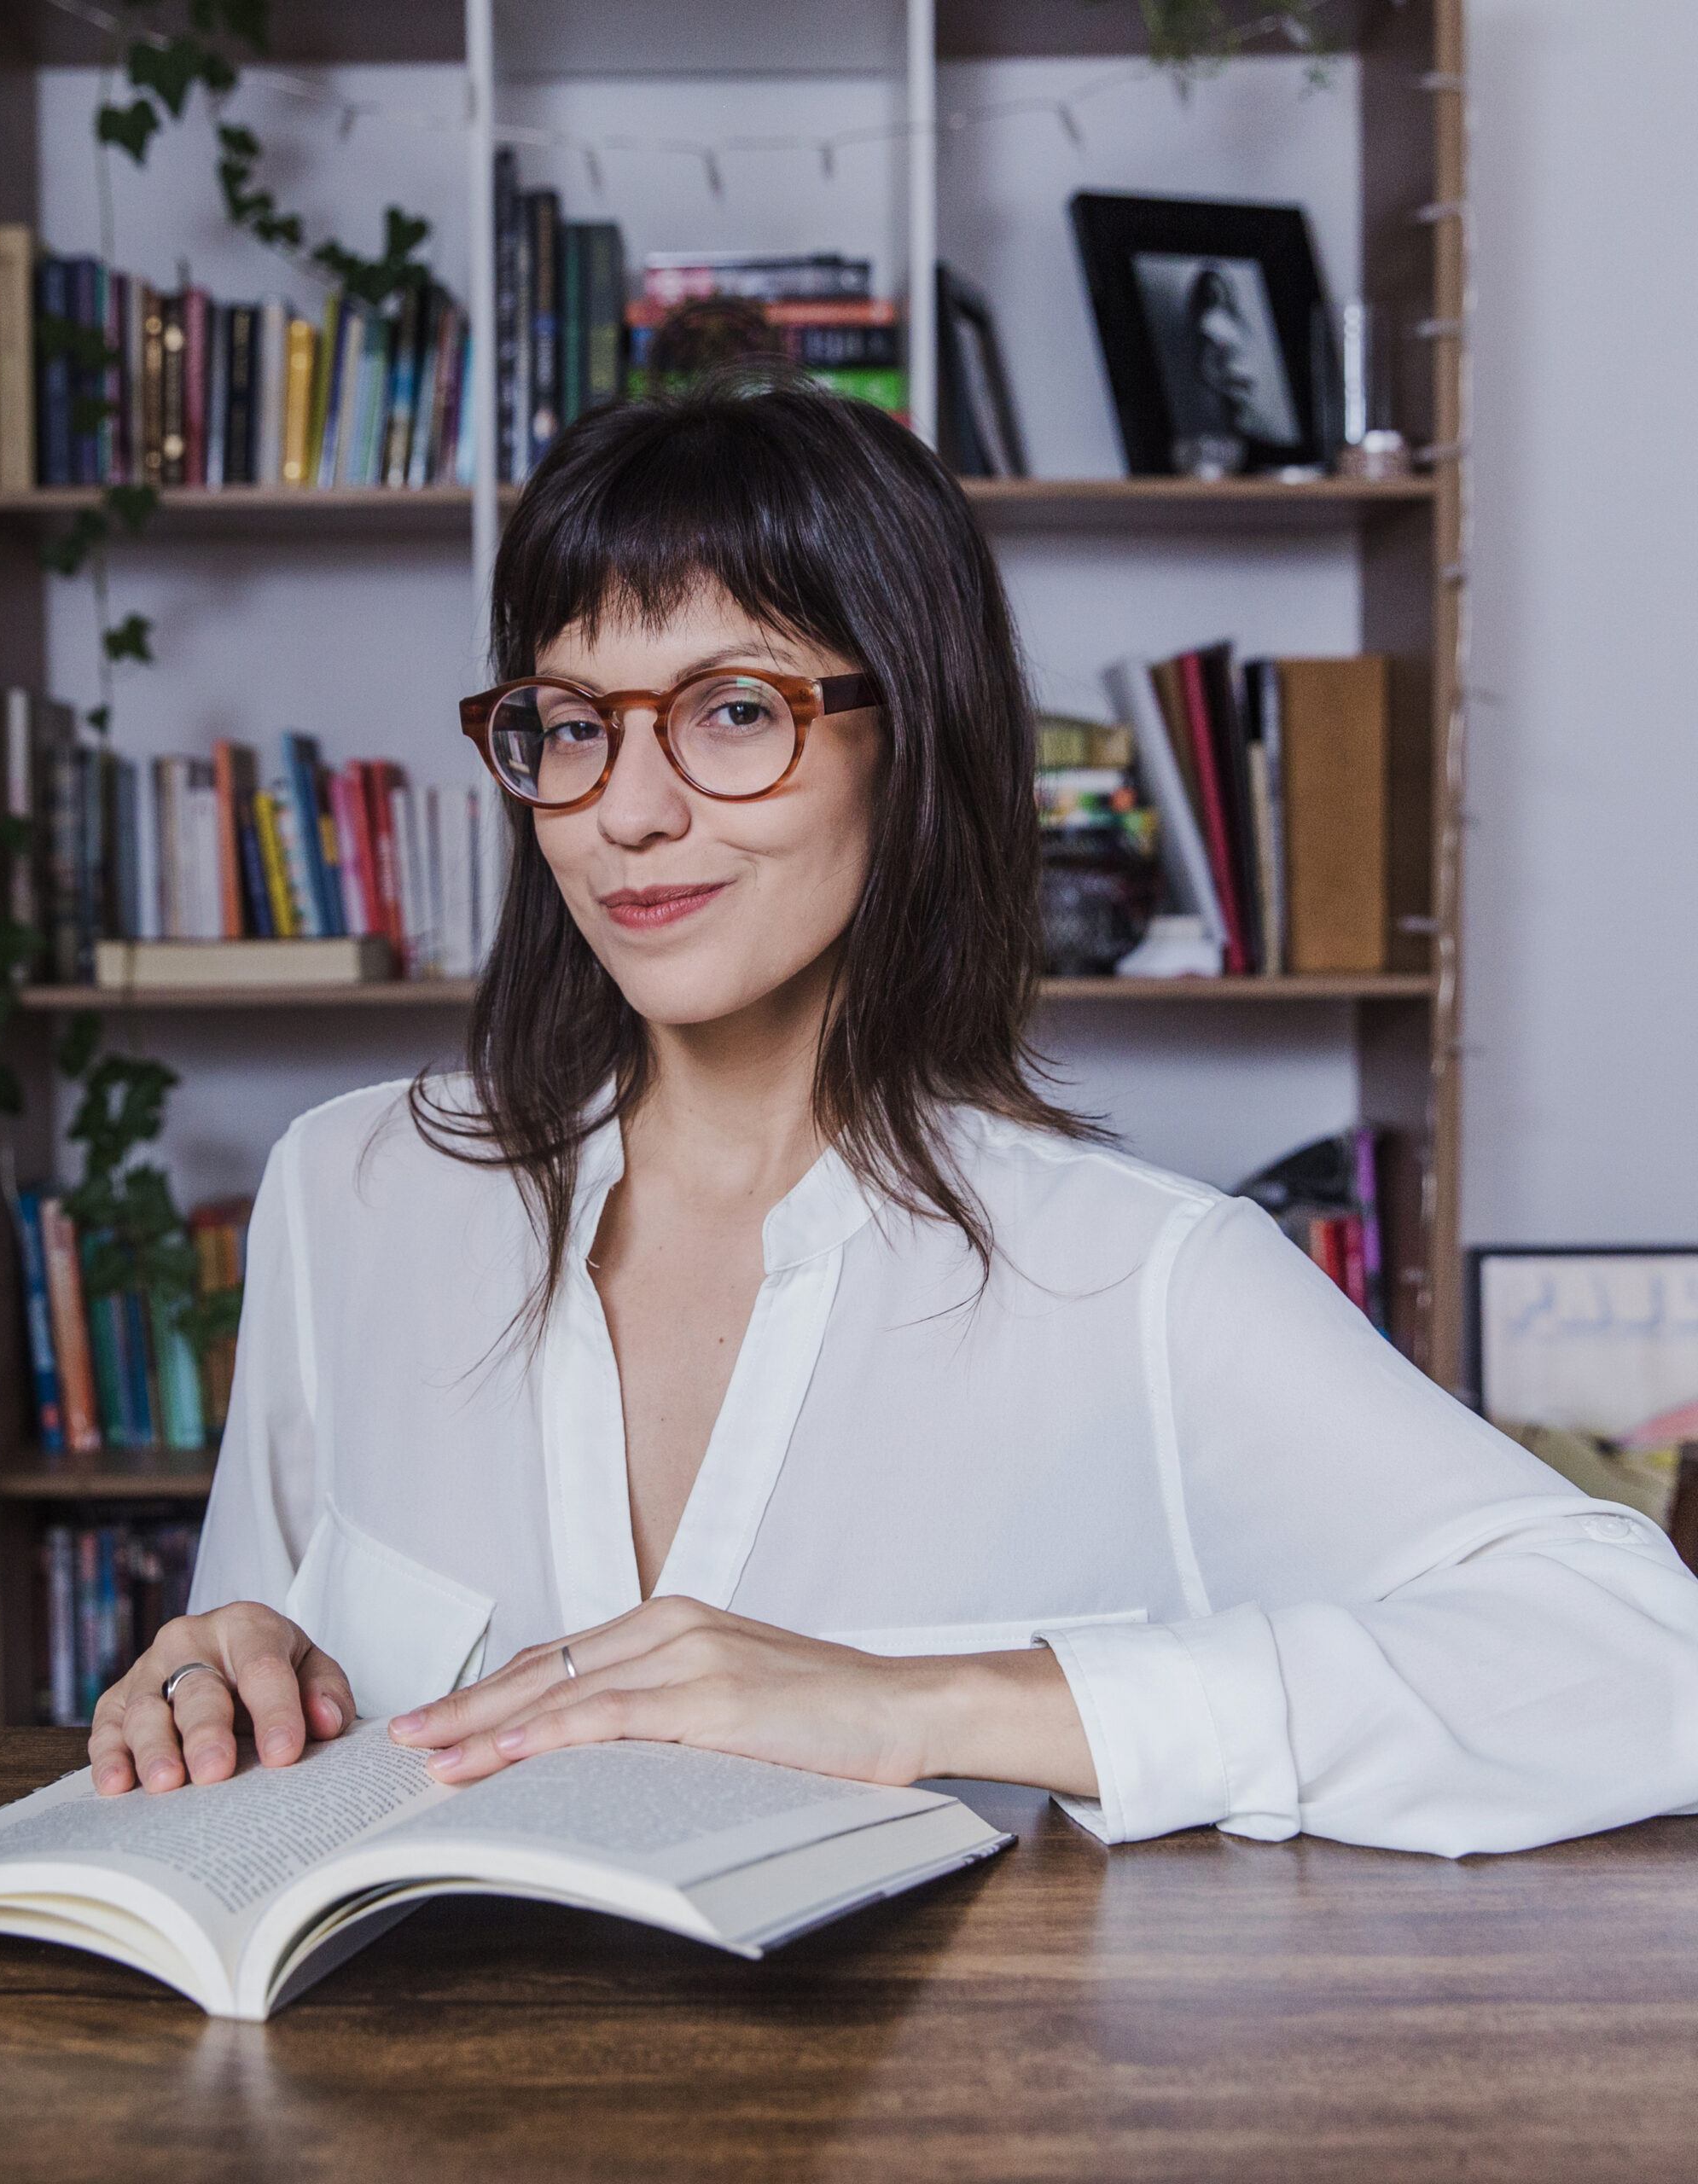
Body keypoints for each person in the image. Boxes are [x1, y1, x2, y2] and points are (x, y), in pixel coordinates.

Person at [88, 377, 1698, 1856]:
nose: (628, 812)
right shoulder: (350, 1192)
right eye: (573, 725)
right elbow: (259, 1706)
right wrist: (225, 1671)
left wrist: (918, 1704)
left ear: (911, 738)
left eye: (732, 712)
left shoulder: (1136, 1276)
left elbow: (1642, 1662)